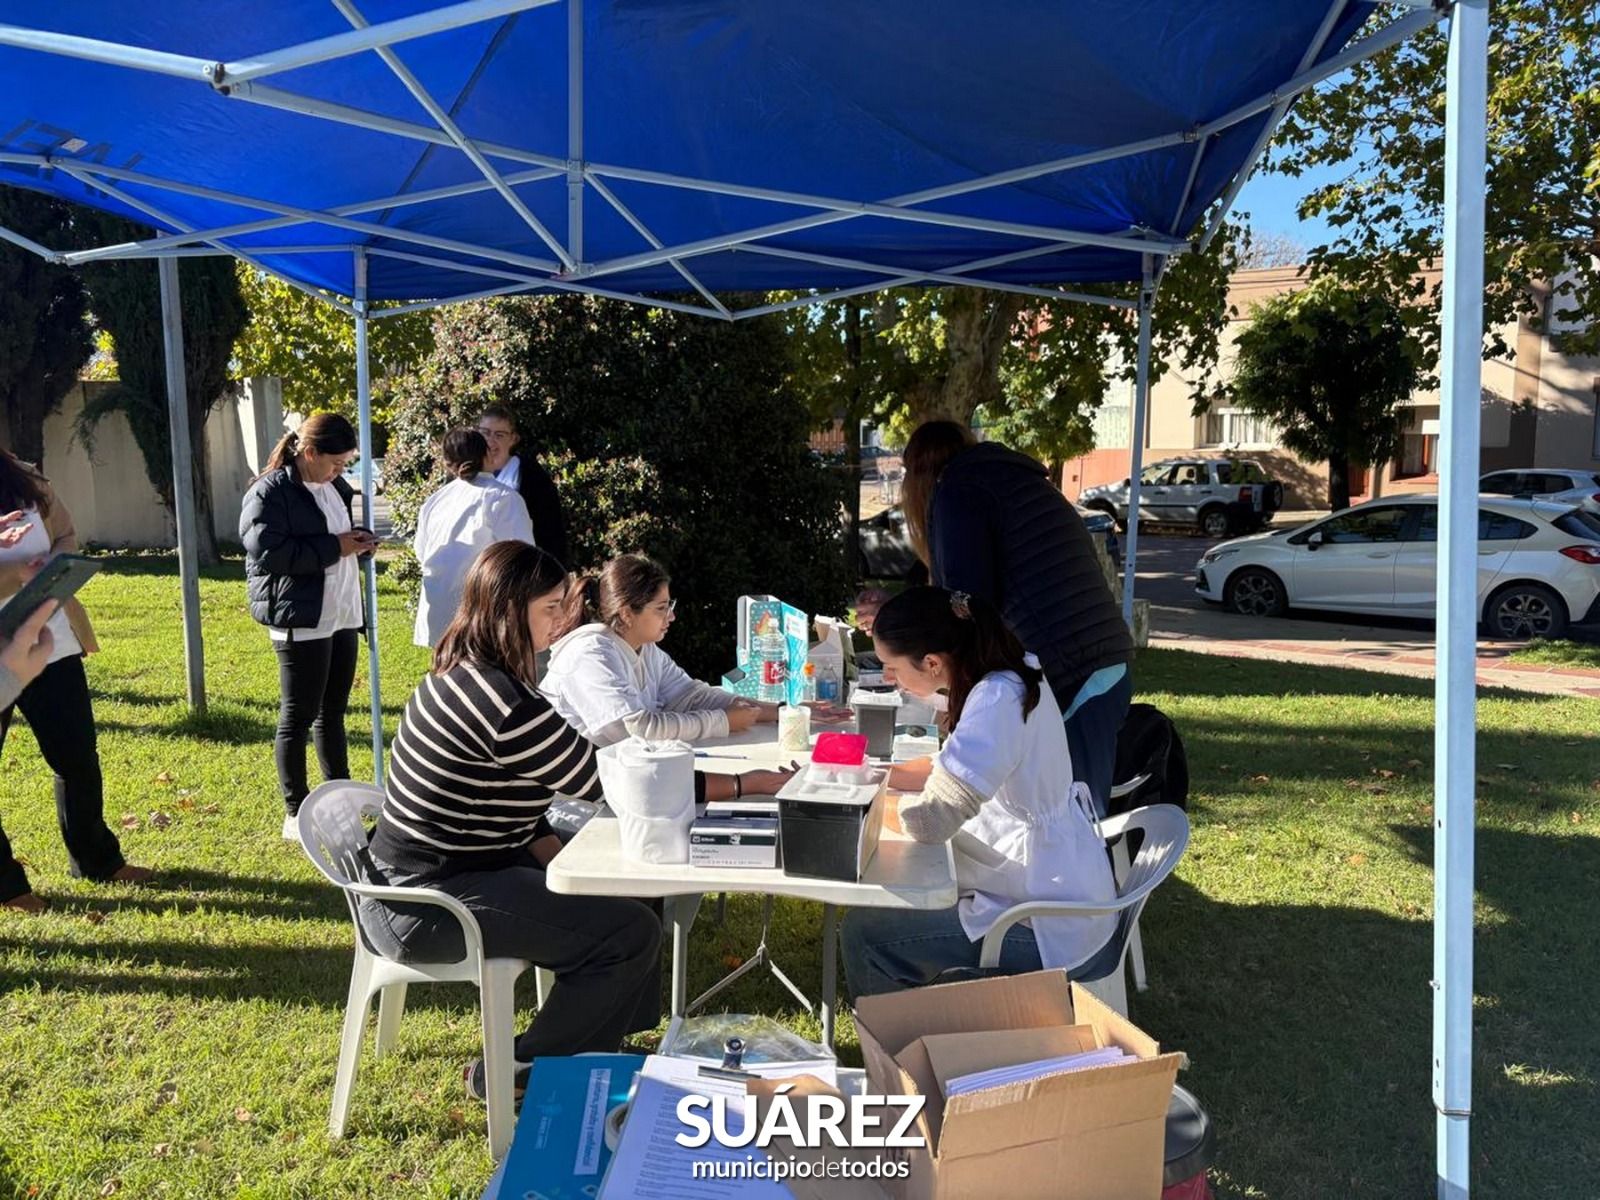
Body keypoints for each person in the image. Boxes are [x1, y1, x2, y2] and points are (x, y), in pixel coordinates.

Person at [358, 541, 795, 1100]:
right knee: (628, 932)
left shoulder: (468, 674)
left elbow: (506, 800)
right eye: (550, 608)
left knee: (629, 893)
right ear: (508, 611)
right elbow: (613, 782)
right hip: (427, 904)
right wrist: (743, 785)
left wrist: (554, 855)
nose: (562, 620)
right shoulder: (503, 702)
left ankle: (595, 1048)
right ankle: (517, 1069)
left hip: (450, 872)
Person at [840, 586, 1118, 999]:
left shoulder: (996, 700)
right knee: (889, 913)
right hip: (1062, 895)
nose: (888, 678)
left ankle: (893, 1039)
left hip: (1047, 923)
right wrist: (874, 775)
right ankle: (916, 1025)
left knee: (865, 935)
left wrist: (871, 807)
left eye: (891, 667)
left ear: (932, 662)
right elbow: (946, 769)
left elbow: (932, 822)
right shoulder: (1009, 673)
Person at [901, 421, 1133, 815]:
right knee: (1063, 806)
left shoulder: (960, 490)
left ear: (914, 478)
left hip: (1075, 667)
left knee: (1070, 816)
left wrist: (959, 701)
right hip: (1095, 657)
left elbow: (967, 610)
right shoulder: (1002, 478)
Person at [0, 450, 153, 914]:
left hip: (52, 642)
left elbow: (66, 533)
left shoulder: (22, 475)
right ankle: (7, 888)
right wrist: (11, 571)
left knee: (77, 756)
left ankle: (97, 860)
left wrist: (52, 567)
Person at [240, 413, 380, 840]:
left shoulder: (335, 488)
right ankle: (296, 811)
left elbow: (336, 539)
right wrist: (335, 547)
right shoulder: (269, 492)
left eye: (346, 464)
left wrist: (359, 543)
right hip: (301, 618)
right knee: (297, 717)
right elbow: (270, 554)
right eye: (336, 463)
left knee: (332, 713)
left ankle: (341, 798)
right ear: (310, 452)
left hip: (342, 613)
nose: (341, 472)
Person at [542, 554, 776, 747]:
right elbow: (635, 729)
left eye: (670, 605)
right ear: (626, 613)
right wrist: (722, 721)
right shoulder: (588, 655)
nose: (671, 616)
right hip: (578, 790)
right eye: (662, 608)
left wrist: (780, 712)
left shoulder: (646, 648)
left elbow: (692, 697)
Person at [412, 429, 535, 648]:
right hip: (482, 612)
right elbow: (523, 560)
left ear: (447, 463)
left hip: (438, 612)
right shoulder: (504, 499)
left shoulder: (435, 501)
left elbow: (422, 553)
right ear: (487, 454)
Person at [476, 405, 570, 566]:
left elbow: (551, 532)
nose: (490, 442)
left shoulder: (533, 477)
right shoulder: (466, 476)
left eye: (499, 435)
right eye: (485, 433)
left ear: (513, 439)